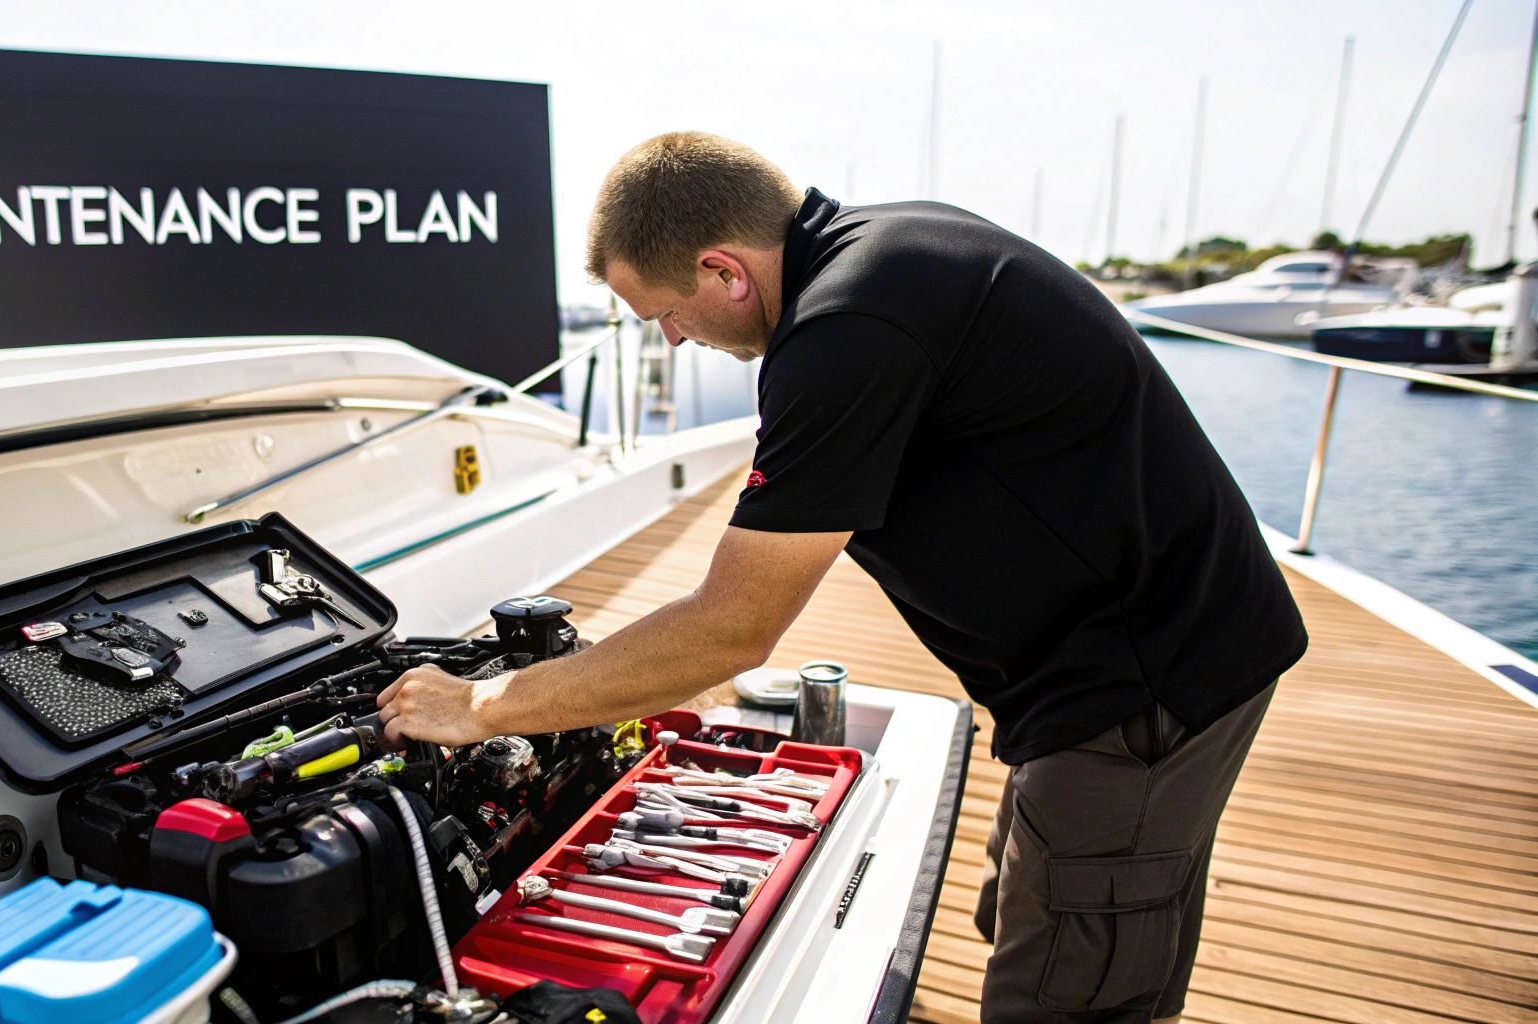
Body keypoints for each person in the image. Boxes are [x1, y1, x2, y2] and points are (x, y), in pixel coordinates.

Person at [376, 131, 1307, 1023]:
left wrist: (486, 706)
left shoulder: (844, 332)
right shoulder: (888, 247)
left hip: (1145, 680)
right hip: (1109, 660)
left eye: (662, 313)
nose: (667, 341)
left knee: (1072, 988)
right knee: (1036, 902)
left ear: (724, 271)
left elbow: (730, 631)